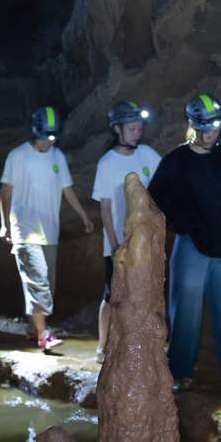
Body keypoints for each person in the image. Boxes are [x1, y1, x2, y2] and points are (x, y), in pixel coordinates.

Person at [148, 93, 221, 404]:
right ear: (193, 127)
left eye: (216, 129)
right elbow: (153, 199)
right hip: (192, 249)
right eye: (207, 130)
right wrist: (183, 223)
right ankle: (179, 374)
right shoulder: (176, 162)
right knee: (186, 315)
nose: (213, 135)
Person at [0, 106, 94, 351]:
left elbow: (67, 189)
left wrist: (83, 215)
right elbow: (5, 192)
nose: (48, 142)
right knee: (38, 279)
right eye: (45, 137)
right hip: (24, 229)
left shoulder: (57, 157)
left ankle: (34, 328)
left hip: (49, 230)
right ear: (35, 132)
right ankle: (43, 335)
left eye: (52, 137)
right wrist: (5, 224)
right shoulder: (17, 156)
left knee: (46, 285)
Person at [90, 101, 162, 363]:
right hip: (119, 242)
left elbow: (165, 184)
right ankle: (103, 345)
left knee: (144, 294)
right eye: (132, 126)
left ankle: (140, 344)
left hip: (146, 242)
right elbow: (106, 209)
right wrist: (114, 244)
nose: (137, 130)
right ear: (117, 128)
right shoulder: (107, 163)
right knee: (113, 296)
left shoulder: (149, 155)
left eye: (139, 125)